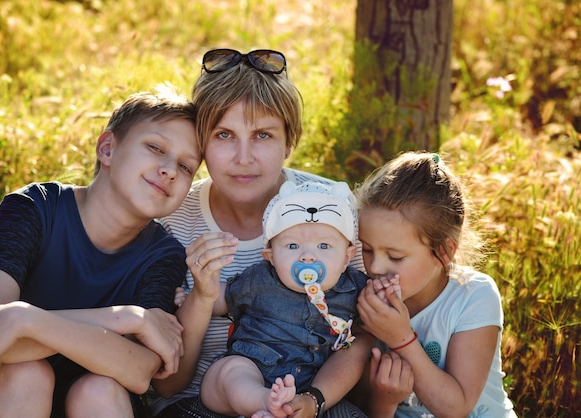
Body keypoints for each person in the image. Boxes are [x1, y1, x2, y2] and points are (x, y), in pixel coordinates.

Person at [147, 48, 371, 418]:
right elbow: (167, 384)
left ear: (290, 141)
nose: (244, 156)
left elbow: (362, 339)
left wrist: (313, 401)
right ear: (200, 142)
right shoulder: (172, 219)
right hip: (201, 403)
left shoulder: (333, 210)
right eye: (224, 135)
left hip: (314, 402)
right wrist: (202, 297)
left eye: (263, 135)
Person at [0, 85, 202, 418]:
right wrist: (127, 319)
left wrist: (25, 320)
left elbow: (140, 371)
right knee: (27, 373)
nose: (170, 169)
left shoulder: (163, 254)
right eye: (155, 147)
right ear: (108, 148)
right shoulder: (34, 209)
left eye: (186, 167)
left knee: (98, 388)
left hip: (99, 405)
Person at [354, 151, 517, 417]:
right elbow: (359, 402)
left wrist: (400, 338)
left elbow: (456, 407)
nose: (375, 267)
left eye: (395, 256)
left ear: (444, 252)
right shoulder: (361, 295)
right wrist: (383, 403)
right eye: (367, 249)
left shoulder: (474, 295)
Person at [199, 180, 369, 418]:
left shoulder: (354, 288)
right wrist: (198, 292)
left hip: (310, 388)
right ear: (270, 256)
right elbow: (218, 299)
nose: (308, 256)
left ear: (347, 258)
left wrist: (384, 291)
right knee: (230, 371)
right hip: (253, 368)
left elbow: (374, 318)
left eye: (324, 245)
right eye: (292, 245)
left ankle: (279, 407)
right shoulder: (259, 279)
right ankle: (265, 404)